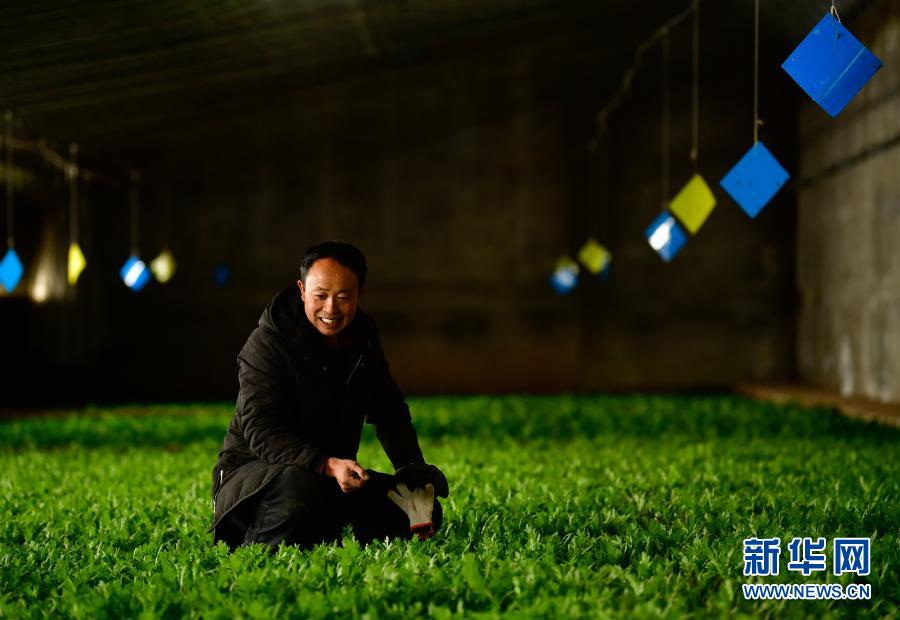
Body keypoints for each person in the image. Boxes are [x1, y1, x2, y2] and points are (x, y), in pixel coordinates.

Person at [210, 241, 447, 550]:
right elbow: (260, 430)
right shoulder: (268, 343)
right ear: (302, 290)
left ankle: (323, 534)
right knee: (299, 485)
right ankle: (255, 552)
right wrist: (328, 464)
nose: (331, 309)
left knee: (421, 509)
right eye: (320, 296)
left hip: (331, 477)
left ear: (360, 294)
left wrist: (411, 473)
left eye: (344, 297)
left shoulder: (364, 338)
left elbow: (389, 411)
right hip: (256, 483)